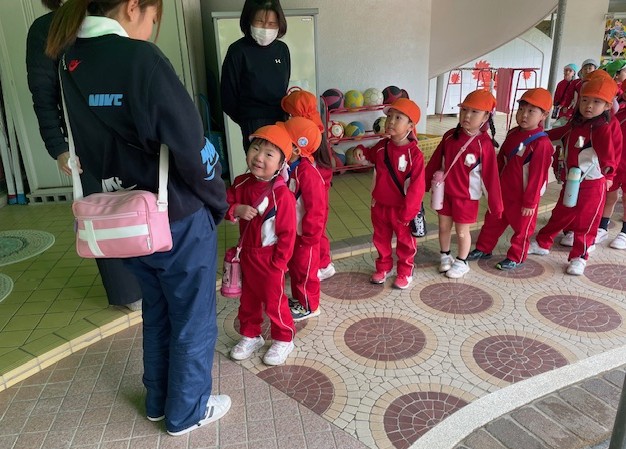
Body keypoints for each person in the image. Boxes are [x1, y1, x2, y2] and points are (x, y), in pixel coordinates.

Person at [45, 0, 231, 435]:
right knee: (192, 317)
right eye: (152, 18)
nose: (150, 28)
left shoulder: (71, 60)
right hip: (175, 216)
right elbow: (192, 146)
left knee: (159, 310)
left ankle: (158, 400)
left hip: (125, 220)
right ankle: (187, 412)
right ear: (134, 7)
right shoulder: (141, 59)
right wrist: (217, 200)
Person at [25, 0, 143, 312]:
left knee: (140, 205)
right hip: (84, 142)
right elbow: (43, 94)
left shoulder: (107, 13)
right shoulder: (46, 29)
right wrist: (58, 147)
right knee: (102, 213)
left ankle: (153, 275)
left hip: (127, 132)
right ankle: (127, 291)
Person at [528, 76, 619, 275]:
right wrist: (536, 135)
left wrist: (609, 175)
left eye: (596, 101)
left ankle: (580, 257)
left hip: (593, 183)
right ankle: (543, 243)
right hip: (572, 180)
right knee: (561, 214)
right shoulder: (576, 124)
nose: (589, 105)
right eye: (585, 99)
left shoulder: (602, 128)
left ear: (607, 106)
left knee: (587, 222)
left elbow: (609, 156)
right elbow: (558, 133)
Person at [226, 124, 297, 365]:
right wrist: (236, 209)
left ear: (280, 164)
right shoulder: (240, 183)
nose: (259, 157)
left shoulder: (282, 195)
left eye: (269, 154)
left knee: (275, 301)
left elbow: (288, 234)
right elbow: (223, 205)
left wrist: (279, 264)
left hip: (271, 258)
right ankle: (250, 335)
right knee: (248, 300)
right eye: (255, 149)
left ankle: (284, 338)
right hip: (247, 255)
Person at [467, 88, 554, 270]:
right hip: (503, 192)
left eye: (531, 111)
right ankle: (483, 248)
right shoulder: (514, 133)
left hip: (524, 198)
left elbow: (538, 177)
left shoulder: (542, 144)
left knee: (522, 229)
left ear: (544, 115)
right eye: (521, 109)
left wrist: (530, 203)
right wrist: (491, 187)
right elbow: (501, 160)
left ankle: (516, 256)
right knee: (492, 221)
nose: (524, 115)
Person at [424, 89, 503, 279]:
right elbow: (435, 162)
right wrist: (422, 186)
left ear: (486, 116)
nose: (467, 115)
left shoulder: (484, 144)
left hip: (467, 198)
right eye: (464, 110)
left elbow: (491, 178)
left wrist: (496, 205)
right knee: (443, 227)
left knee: (461, 231)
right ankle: (445, 256)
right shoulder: (449, 136)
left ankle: (462, 261)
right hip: (444, 194)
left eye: (474, 112)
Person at [353, 98, 425, 289]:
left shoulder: (415, 155)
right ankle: (383, 267)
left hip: (402, 210)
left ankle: (405, 271)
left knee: (405, 243)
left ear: (410, 126)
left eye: (398, 118)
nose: (391, 121)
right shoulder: (381, 146)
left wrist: (408, 213)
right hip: (379, 206)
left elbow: (417, 188)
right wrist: (360, 150)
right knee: (381, 239)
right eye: (390, 116)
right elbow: (369, 154)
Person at [279, 89, 335, 280]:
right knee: (317, 230)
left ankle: (320, 265)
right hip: (314, 195)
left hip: (313, 196)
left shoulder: (306, 139)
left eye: (290, 115)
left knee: (314, 232)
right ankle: (322, 263)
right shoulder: (316, 132)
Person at [220, 0, 290, 152]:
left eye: (272, 23)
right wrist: (246, 119)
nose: (266, 28)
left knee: (283, 163)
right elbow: (227, 97)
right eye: (260, 21)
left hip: (281, 121)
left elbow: (284, 85)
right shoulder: (238, 50)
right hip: (253, 122)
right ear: (249, 20)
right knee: (261, 165)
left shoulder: (282, 49)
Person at [283, 117, 325, 321]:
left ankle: (310, 305)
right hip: (295, 234)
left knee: (306, 271)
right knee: (296, 269)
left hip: (306, 237)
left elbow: (317, 209)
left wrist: (309, 237)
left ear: (296, 149)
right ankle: (300, 299)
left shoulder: (308, 174)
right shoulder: (291, 168)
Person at [597, 78, 626, 249]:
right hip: (615, 163)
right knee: (609, 196)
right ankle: (602, 227)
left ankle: (624, 232)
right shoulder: (617, 116)